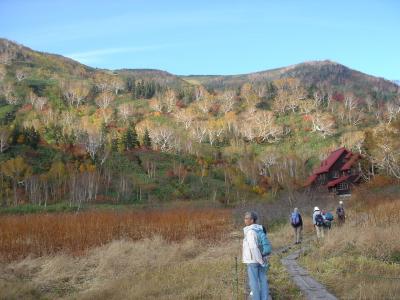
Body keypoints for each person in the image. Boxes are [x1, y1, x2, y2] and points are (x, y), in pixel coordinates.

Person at [243, 211, 271, 300]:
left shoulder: (250, 232)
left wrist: (260, 261)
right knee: (263, 280)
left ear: (252, 220)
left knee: (253, 282)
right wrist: (262, 260)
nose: (245, 220)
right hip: (261, 258)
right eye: (245, 218)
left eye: (247, 218)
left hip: (253, 260)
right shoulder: (259, 229)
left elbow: (254, 248)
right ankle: (265, 298)